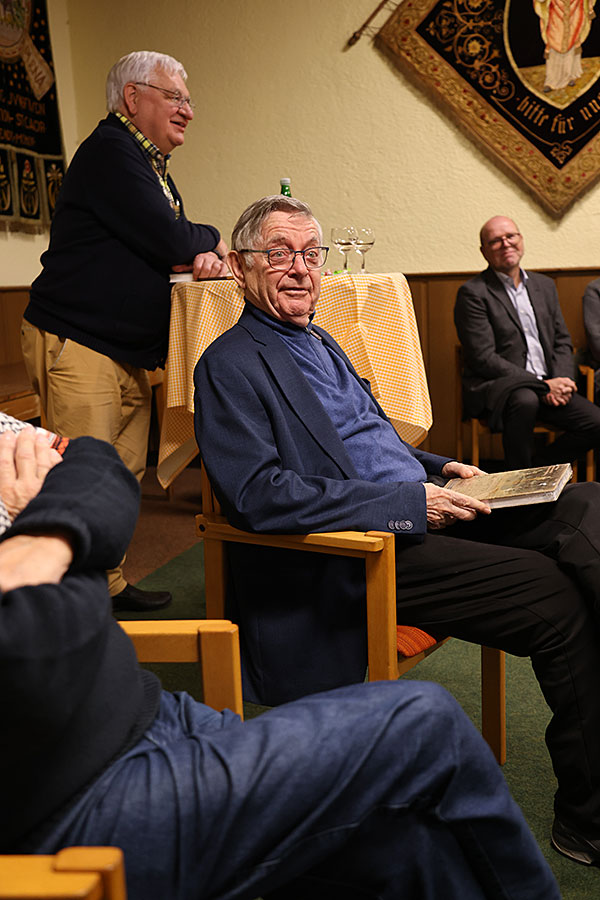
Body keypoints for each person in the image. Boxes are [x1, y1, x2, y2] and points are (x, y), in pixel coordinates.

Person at [194, 195, 600, 867]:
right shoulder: (228, 364)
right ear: (240, 267)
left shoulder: (321, 339)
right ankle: (589, 820)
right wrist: (410, 502)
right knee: (556, 594)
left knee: (585, 501)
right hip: (368, 547)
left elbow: (373, 439)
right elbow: (257, 496)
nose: (299, 269)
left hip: (427, 501)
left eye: (310, 254)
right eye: (279, 253)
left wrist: (441, 467)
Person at [0, 422, 560, 900]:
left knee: (402, 842)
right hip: (77, 802)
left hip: (151, 713)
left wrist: (40, 540)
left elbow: (98, 463)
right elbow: (37, 657)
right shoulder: (232, 361)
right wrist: (65, 546)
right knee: (423, 720)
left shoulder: (323, 343)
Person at [20, 50, 229, 613]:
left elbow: (167, 244)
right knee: (82, 476)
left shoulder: (148, 163)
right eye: (175, 97)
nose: (188, 110)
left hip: (124, 348)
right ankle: (72, 602)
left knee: (119, 474)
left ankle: (105, 584)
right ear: (133, 98)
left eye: (188, 100)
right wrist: (210, 239)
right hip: (80, 339)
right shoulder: (112, 151)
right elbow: (172, 237)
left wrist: (197, 250)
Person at [454, 215, 600, 470]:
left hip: (550, 385)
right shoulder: (473, 293)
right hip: (502, 387)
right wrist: (543, 385)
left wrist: (563, 380)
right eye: (495, 241)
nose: (505, 244)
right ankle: (518, 478)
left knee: (595, 422)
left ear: (521, 240)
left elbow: (562, 341)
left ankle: (536, 470)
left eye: (510, 236)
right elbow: (483, 357)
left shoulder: (544, 285)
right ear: (484, 251)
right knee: (526, 400)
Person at [534, 0, 596, 92]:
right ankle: (551, 81)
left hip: (575, 7)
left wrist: (589, 7)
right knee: (555, 40)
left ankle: (570, 76)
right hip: (555, 9)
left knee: (572, 39)